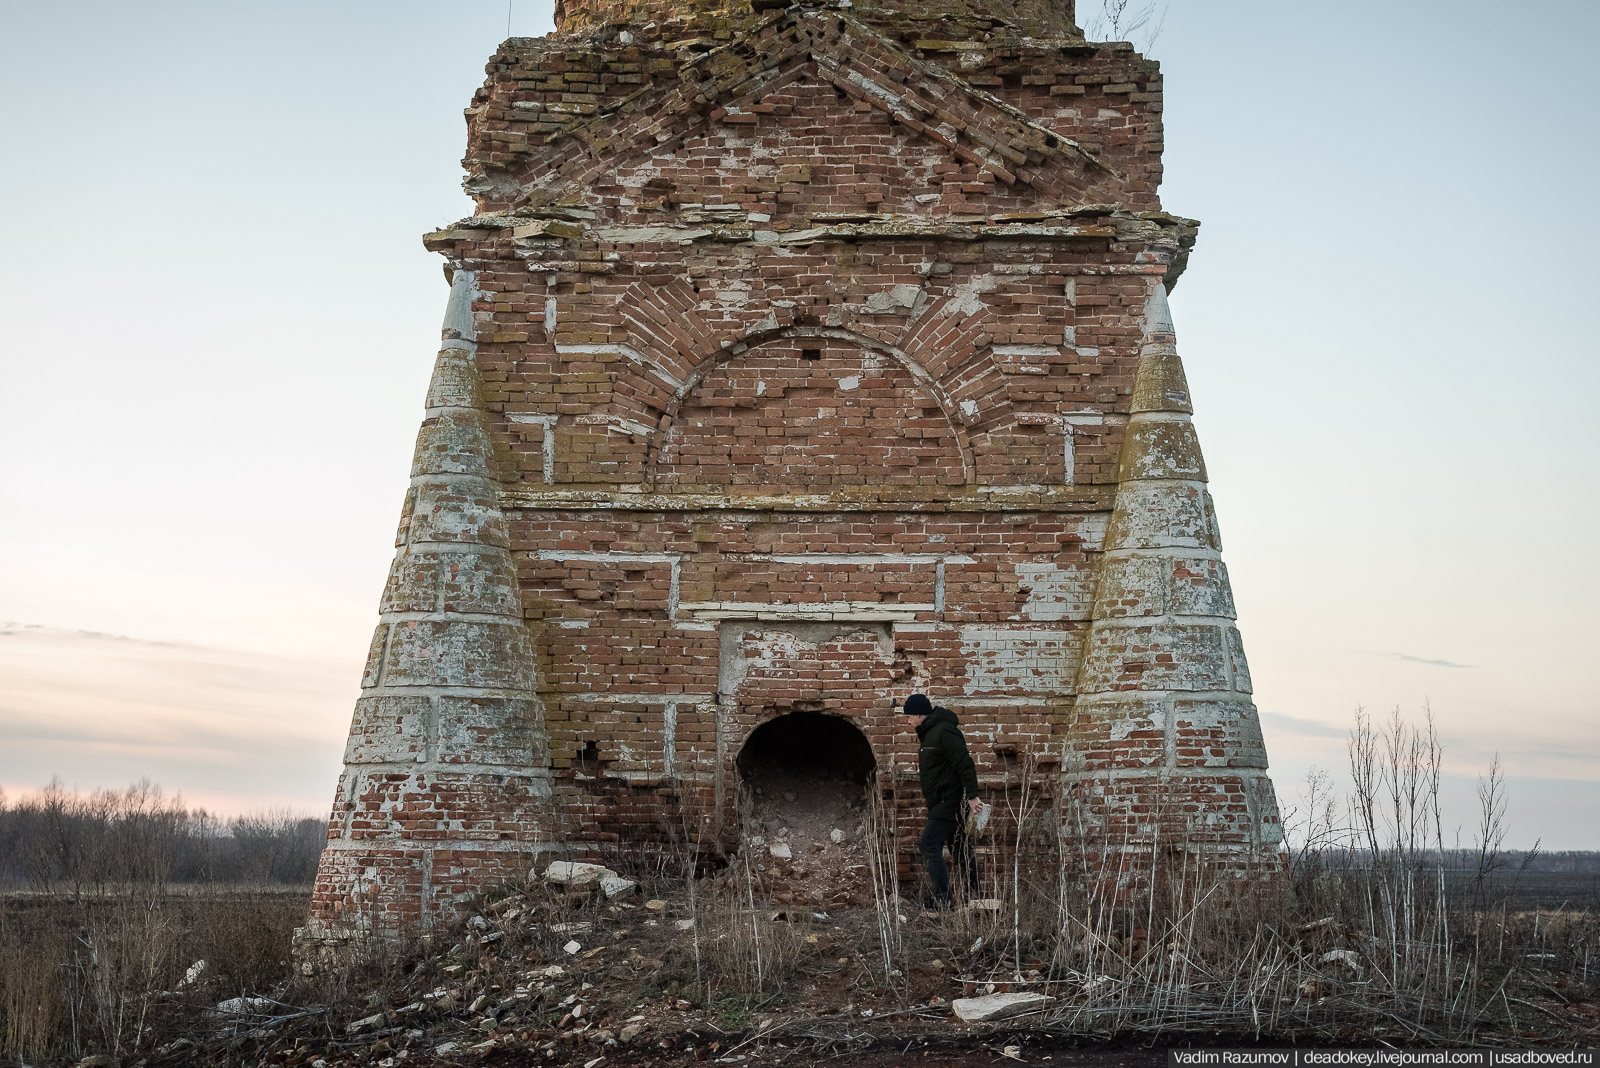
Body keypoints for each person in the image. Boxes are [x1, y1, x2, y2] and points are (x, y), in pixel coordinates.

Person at [902, 692, 983, 908]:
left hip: (949, 801)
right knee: (960, 847)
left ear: (919, 714)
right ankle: (973, 896)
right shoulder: (929, 734)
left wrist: (973, 796)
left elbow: (964, 763)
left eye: (909, 717)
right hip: (942, 801)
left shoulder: (944, 731)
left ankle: (943, 899)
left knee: (929, 844)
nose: (909, 722)